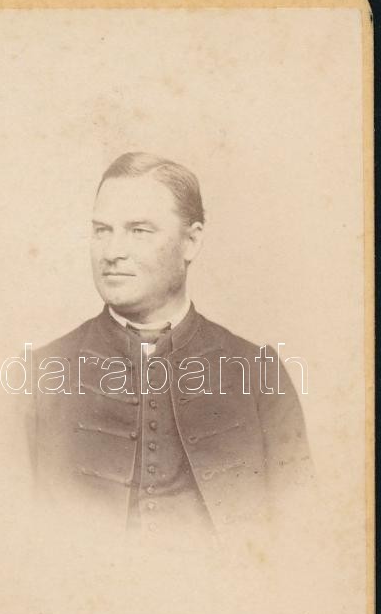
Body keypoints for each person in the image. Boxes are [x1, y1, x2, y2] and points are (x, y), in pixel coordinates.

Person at [27, 152, 312, 548]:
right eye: (102, 230)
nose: (112, 252)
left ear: (191, 241)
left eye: (139, 231)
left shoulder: (258, 373)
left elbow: (301, 536)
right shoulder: (38, 376)